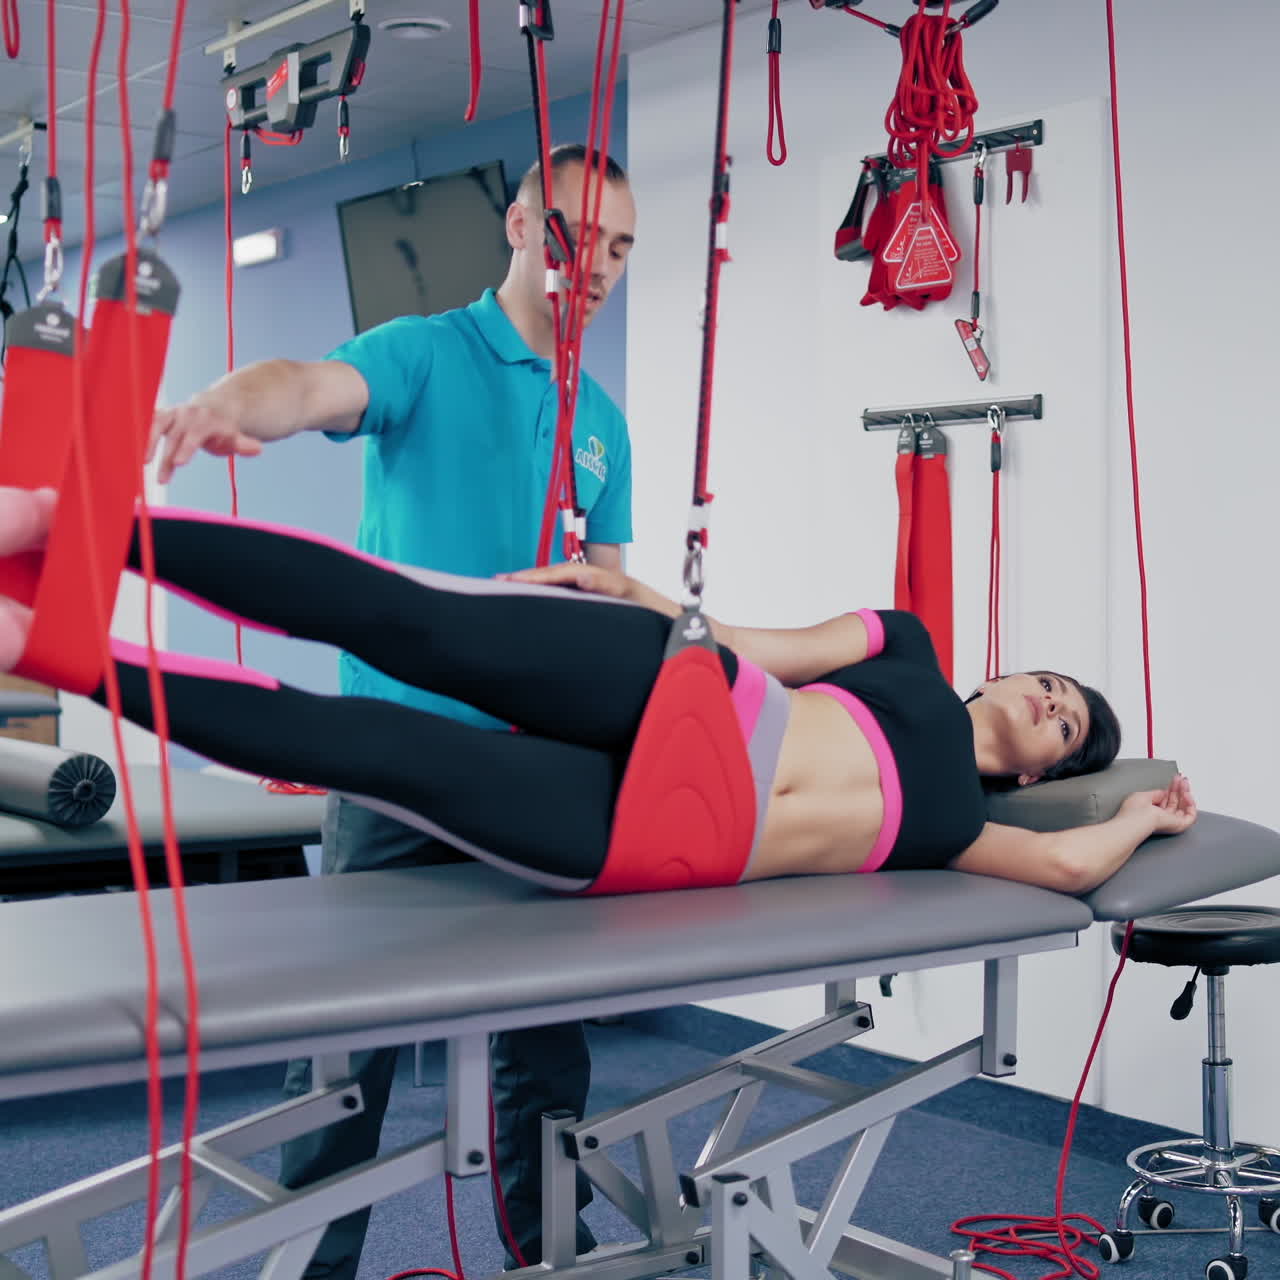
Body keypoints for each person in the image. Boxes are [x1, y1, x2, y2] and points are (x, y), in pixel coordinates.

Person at [145, 143, 638, 1273]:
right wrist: (226, 404)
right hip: (393, 762)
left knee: (544, 1051)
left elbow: (615, 597)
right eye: (580, 236)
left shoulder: (603, 419)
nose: (600, 266)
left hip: (532, 773)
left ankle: (552, 1257)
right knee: (343, 1057)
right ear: (521, 227)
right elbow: (309, 384)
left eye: (620, 247)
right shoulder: (424, 351)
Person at [0, 492, 1197, 904]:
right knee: (410, 617)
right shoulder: (906, 648)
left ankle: (50, 649)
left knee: (358, 743)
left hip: (657, 835)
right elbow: (758, 643)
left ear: (1040, 770)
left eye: (1068, 725)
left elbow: (1065, 865)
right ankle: (72, 525)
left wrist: (1143, 813)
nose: (1051, 702)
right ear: (999, 674)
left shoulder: (961, 826)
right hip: (697, 692)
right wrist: (635, 591)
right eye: (1049, 682)